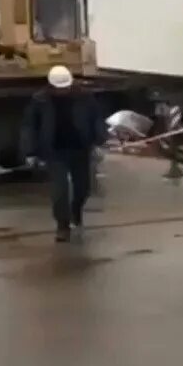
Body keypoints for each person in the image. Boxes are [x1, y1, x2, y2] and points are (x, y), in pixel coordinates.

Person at [22, 65, 107, 242]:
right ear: (51, 86)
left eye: (66, 87)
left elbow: (97, 119)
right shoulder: (40, 100)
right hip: (55, 152)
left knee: (83, 188)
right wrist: (30, 152)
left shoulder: (85, 97)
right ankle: (62, 226)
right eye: (59, 88)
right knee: (59, 191)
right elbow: (30, 127)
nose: (63, 91)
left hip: (80, 149)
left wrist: (99, 142)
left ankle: (76, 210)